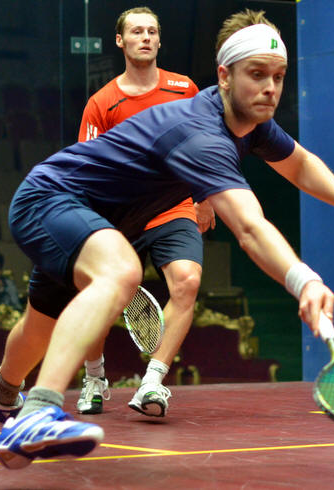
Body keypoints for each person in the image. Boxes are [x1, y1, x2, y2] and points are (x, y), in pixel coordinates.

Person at [0, 9, 334, 469]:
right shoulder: (202, 135)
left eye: (278, 77)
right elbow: (248, 227)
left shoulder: (251, 125)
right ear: (224, 76)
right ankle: (36, 414)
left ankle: (1, 388)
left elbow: (299, 163)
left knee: (42, 322)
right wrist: (304, 280)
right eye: (256, 74)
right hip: (51, 198)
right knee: (121, 271)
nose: (270, 88)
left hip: (94, 219)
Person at [73, 6, 211, 416]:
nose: (145, 37)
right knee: (99, 299)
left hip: (173, 206)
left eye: (152, 31)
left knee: (187, 281)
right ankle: (94, 377)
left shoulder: (184, 89)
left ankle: (152, 382)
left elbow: (205, 146)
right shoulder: (102, 103)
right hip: (120, 216)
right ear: (120, 41)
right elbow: (87, 169)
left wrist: (206, 197)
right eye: (136, 31)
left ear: (159, 40)